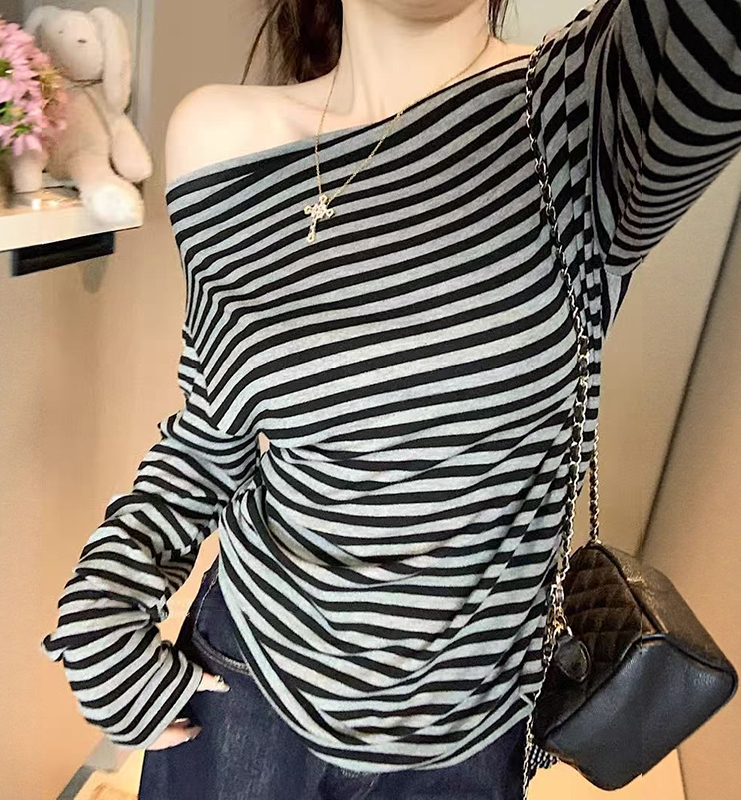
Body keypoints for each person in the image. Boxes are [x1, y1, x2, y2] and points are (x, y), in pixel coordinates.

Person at [40, 0, 741, 798]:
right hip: (246, 690)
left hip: (468, 734)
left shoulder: (595, 110)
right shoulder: (220, 138)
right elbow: (215, 425)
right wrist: (107, 594)